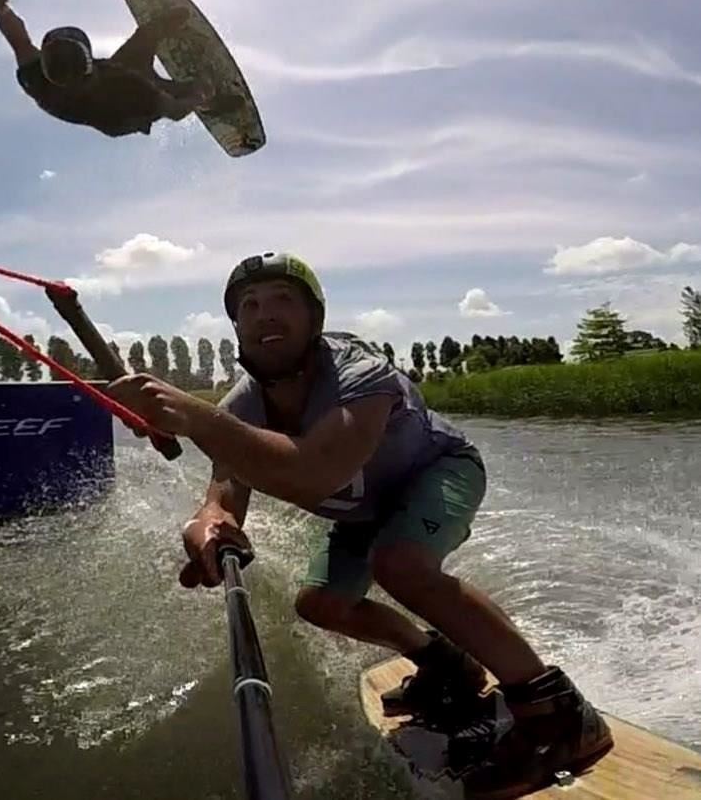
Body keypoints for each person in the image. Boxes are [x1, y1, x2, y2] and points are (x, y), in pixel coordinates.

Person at [104, 252, 614, 799]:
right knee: (318, 604)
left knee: (398, 564)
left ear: (315, 318)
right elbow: (225, 492)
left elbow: (314, 474)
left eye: (283, 300)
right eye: (248, 306)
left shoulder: (362, 373)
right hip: (363, 512)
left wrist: (196, 416)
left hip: (437, 473)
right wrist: (211, 524)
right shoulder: (240, 406)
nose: (264, 315)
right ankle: (443, 663)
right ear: (236, 328)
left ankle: (557, 717)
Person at [0, 0, 236, 138]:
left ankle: (162, 43)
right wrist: (199, 95)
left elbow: (17, 38)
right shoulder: (130, 93)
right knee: (185, 93)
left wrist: (1, 5)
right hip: (123, 115)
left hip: (115, 77)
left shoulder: (36, 77)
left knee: (148, 35)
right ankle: (211, 102)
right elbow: (176, 112)